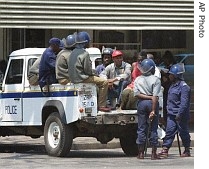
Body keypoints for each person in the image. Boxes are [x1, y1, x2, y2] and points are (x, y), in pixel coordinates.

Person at [67, 31, 110, 112]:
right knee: (104, 82)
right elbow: (87, 71)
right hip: (82, 78)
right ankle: (102, 105)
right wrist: (95, 74)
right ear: (85, 42)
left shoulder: (72, 52)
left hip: (73, 79)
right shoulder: (84, 53)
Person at [158, 63, 191, 158]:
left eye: (171, 74)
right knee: (169, 131)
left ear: (176, 75)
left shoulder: (184, 87)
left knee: (183, 132)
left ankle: (187, 149)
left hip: (180, 115)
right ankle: (165, 149)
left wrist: (179, 114)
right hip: (171, 114)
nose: (170, 76)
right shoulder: (172, 85)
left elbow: (184, 103)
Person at [133, 58, 161, 160]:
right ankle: (153, 153)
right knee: (153, 128)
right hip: (152, 103)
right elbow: (155, 97)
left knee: (141, 128)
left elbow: (136, 94)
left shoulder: (137, 79)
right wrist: (153, 110)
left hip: (141, 103)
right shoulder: (156, 80)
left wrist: (146, 97)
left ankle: (140, 153)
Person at [160, 50, 176, 126]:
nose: (164, 61)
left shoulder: (173, 67)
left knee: (169, 107)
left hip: (170, 89)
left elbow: (170, 79)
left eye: (165, 60)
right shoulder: (166, 67)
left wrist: (164, 74)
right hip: (165, 90)